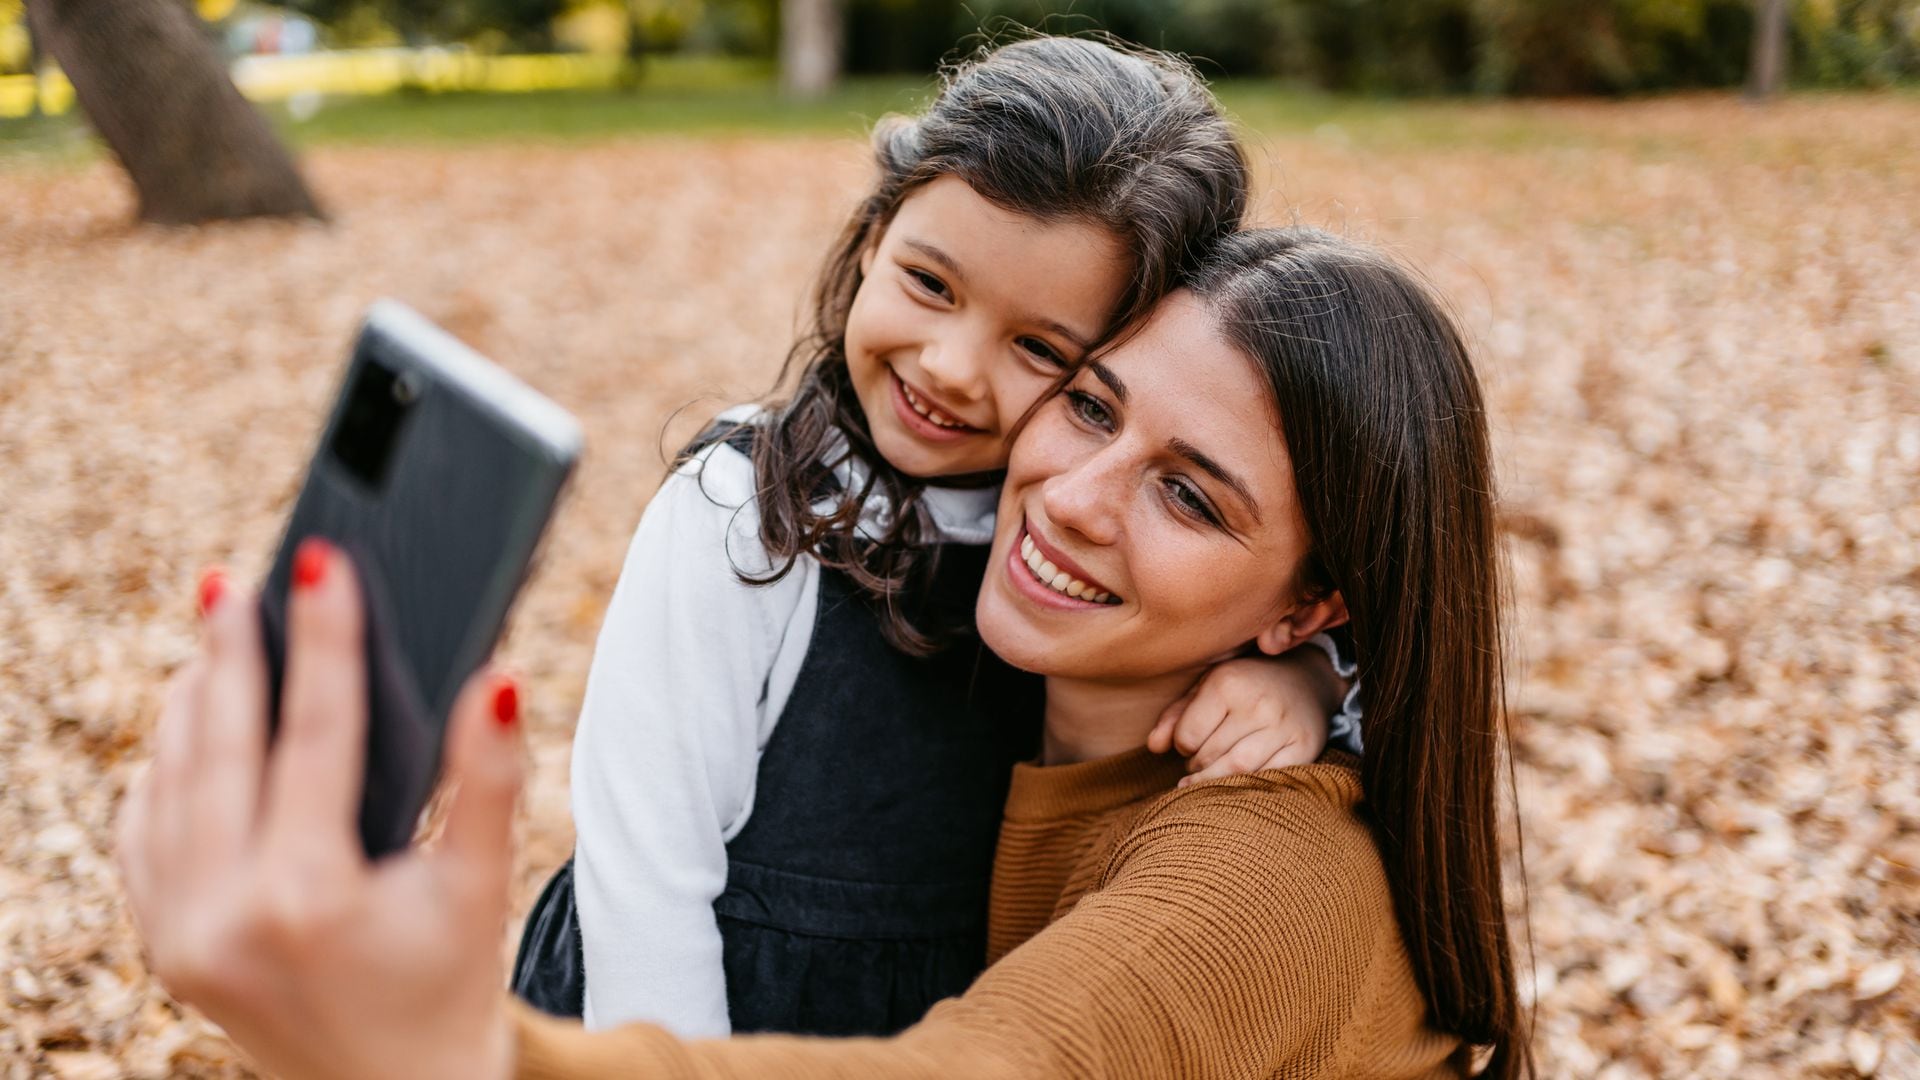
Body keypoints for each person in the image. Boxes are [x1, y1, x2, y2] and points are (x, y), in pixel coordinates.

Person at [119, 227, 1532, 1079]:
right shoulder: (958, 603)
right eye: (1091, 405)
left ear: (1309, 607)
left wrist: (439, 1051)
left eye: (1189, 493)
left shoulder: (1270, 874)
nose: (1077, 496)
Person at [514, 34, 1363, 1038]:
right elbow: (645, 883)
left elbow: (1416, 705)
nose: (954, 367)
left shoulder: (1072, 527)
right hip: (708, 1022)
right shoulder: (743, 516)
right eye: (930, 283)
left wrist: (1310, 680)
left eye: (1041, 348)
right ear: (874, 236)